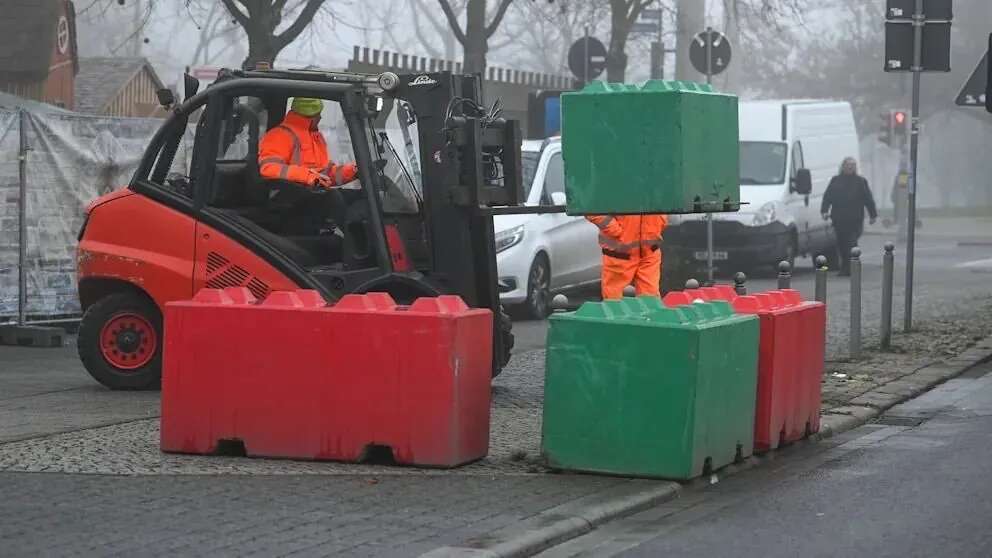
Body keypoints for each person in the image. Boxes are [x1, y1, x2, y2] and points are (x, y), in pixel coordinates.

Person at [258, 97, 358, 234]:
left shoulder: (315, 137)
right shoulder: (279, 135)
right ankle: (357, 242)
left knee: (359, 197)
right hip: (287, 202)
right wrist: (308, 176)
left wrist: (354, 171)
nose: (321, 117)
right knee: (332, 198)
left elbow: (325, 174)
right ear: (309, 116)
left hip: (312, 196)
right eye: (318, 114)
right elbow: (268, 168)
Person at [587, 214, 668, 300]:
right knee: (614, 302)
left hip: (649, 253)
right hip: (619, 255)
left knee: (651, 301)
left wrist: (660, 220)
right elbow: (588, 205)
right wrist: (613, 228)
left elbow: (665, 202)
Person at [821, 157, 878, 276]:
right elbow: (827, 197)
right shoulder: (836, 180)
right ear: (843, 167)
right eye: (848, 165)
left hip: (855, 219)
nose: (850, 167)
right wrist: (825, 211)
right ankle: (845, 267)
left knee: (851, 243)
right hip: (839, 218)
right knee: (842, 244)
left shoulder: (860, 181)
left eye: (853, 165)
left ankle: (854, 267)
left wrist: (873, 215)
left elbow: (868, 199)